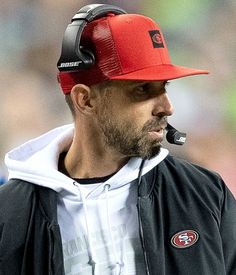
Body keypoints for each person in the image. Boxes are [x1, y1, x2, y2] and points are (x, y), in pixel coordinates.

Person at [0, 4, 235, 275]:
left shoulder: (204, 193)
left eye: (164, 87)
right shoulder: (10, 215)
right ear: (85, 99)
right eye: (142, 89)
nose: (167, 107)